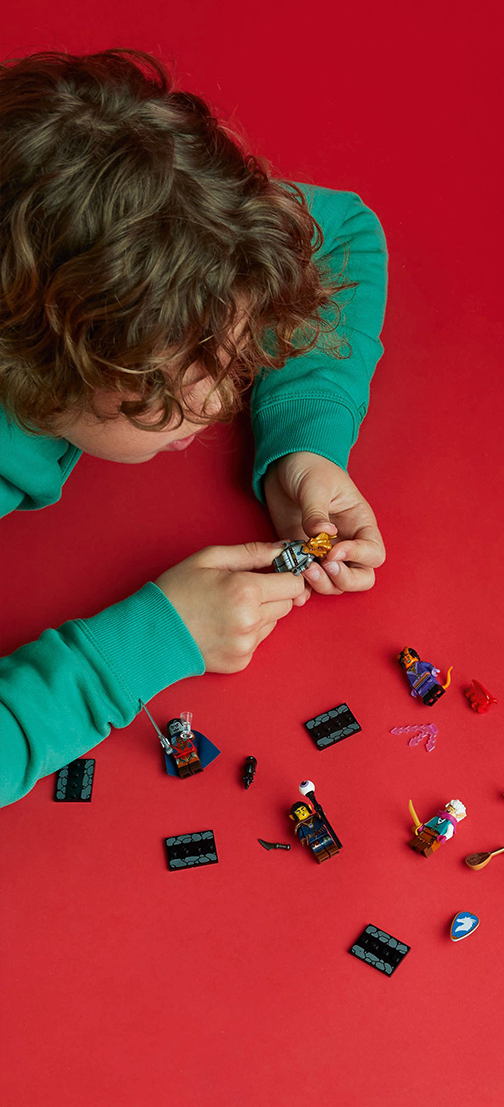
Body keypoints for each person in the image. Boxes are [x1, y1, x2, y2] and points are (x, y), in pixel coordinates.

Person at [0, 49, 388, 805]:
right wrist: (142, 647)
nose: (220, 405)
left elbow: (341, 235)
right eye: (173, 385)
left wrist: (304, 442)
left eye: (237, 350)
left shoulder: (141, 218)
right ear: (44, 368)